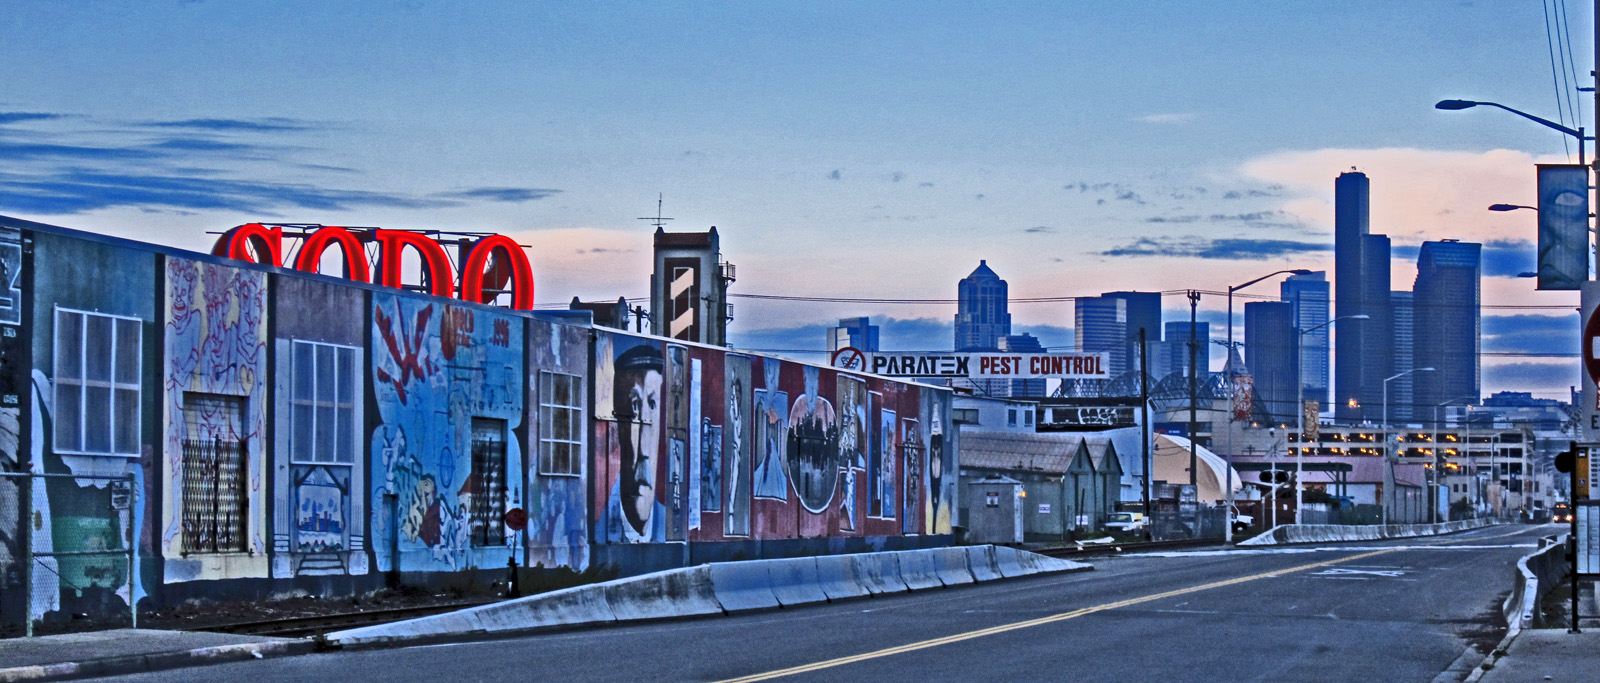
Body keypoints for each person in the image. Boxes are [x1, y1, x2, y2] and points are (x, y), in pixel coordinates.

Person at [607, 344, 666, 542]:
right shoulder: (600, 520)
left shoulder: (669, 526)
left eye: (652, 404)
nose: (643, 449)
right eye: (633, 408)